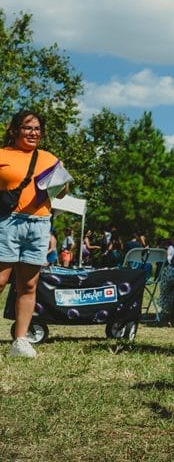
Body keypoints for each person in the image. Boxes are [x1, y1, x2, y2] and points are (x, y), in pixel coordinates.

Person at [0, 110, 66, 358]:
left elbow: (58, 196)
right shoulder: (3, 155)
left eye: (37, 128)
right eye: (28, 127)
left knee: (28, 285)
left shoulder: (50, 158)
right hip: (7, 222)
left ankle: (20, 341)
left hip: (39, 223)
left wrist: (63, 182)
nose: (33, 133)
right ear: (15, 129)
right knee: (1, 280)